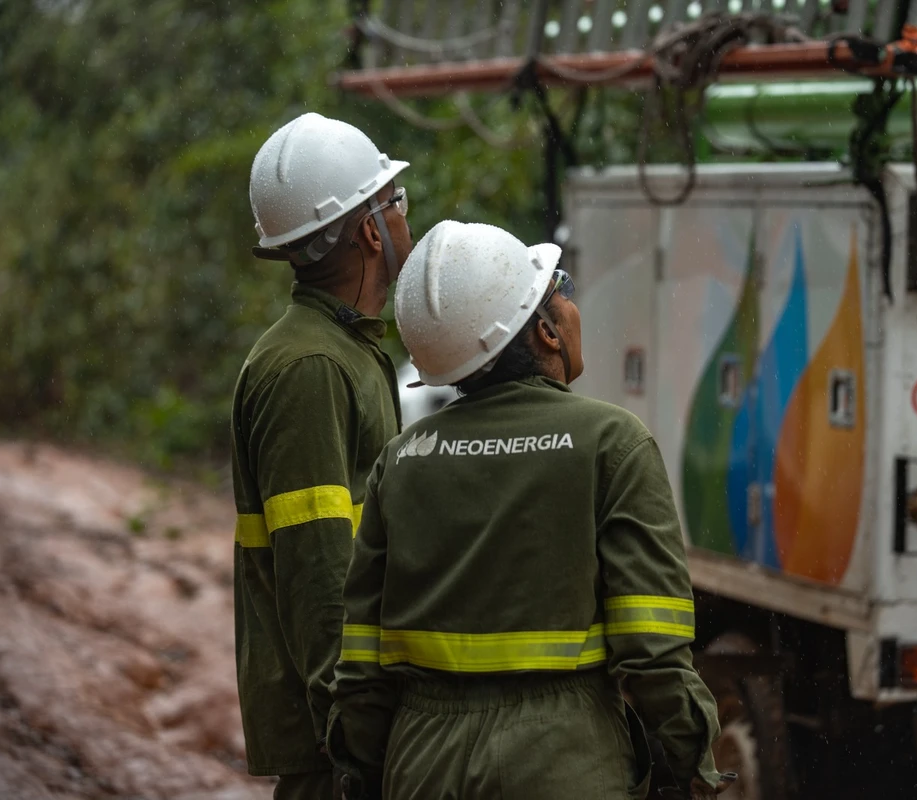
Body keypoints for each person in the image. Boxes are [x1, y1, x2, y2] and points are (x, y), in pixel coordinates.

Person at [327, 221, 731, 800]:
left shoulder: (402, 460)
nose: (571, 304)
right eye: (560, 289)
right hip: (563, 758)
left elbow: (362, 660)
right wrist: (694, 760)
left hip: (422, 762)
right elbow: (653, 649)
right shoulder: (611, 442)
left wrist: (363, 767)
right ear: (544, 330)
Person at [231, 112, 413, 800]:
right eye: (395, 201)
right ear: (370, 231)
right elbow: (317, 569)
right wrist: (352, 733)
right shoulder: (310, 367)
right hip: (334, 743)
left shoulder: (342, 348)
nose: (404, 216)